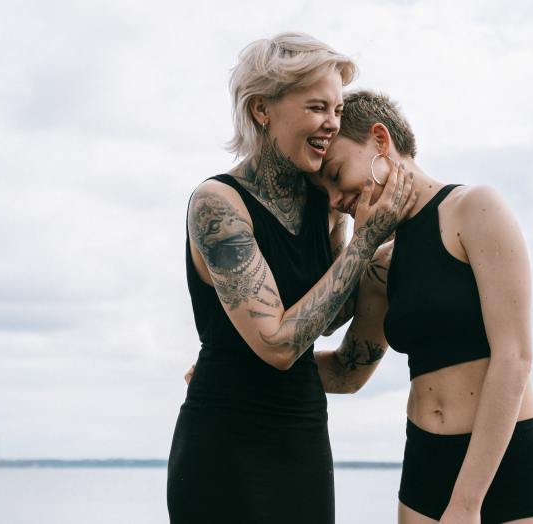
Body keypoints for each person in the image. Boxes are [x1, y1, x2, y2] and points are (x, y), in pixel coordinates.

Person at [167, 35, 417, 524]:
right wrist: (366, 242)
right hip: (222, 447)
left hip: (302, 438)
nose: (333, 123)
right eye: (318, 106)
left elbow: (325, 314)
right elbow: (280, 345)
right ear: (262, 109)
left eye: (338, 109)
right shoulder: (218, 204)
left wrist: (387, 261)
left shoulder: (319, 199)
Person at [310, 90, 533, 524]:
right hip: (425, 470)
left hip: (511, 465)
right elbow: (347, 371)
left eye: (337, 175)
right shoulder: (381, 263)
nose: (336, 200)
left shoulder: (474, 209)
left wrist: (466, 503)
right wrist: (238, 369)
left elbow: (514, 358)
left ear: (381, 141)